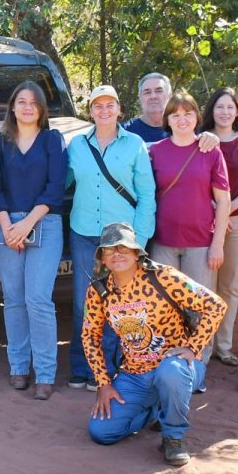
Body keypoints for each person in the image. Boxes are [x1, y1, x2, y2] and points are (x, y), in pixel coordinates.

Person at [83, 222, 226, 467]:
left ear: (136, 252)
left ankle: (173, 437)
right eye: (110, 249)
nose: (117, 254)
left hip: (177, 368)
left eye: (123, 248)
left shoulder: (163, 276)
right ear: (102, 258)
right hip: (135, 374)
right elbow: (90, 336)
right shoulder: (99, 291)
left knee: (171, 372)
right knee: (101, 432)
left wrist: (194, 347)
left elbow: (216, 305)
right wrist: (103, 383)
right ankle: (158, 408)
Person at [65, 85, 156, 389]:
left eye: (109, 105)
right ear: (89, 111)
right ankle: (81, 367)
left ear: (119, 109)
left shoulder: (135, 145)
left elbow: (146, 195)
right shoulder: (77, 145)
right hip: (84, 233)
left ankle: (105, 369)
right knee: (83, 302)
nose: (103, 111)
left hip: (121, 240)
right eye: (97, 106)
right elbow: (61, 182)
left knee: (116, 303)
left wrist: (139, 240)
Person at [147, 90, 230, 391]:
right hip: (164, 241)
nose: (182, 119)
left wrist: (218, 243)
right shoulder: (155, 150)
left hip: (200, 242)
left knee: (200, 309)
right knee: (166, 309)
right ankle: (168, 369)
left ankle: (196, 371)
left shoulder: (210, 151)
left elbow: (223, 201)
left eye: (188, 113)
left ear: (197, 116)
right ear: (167, 119)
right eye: (175, 114)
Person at [0, 81, 66, 399]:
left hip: (44, 223)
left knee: (39, 299)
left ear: (41, 109)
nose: (27, 107)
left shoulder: (52, 140)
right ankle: (18, 367)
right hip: (5, 224)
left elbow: (56, 185)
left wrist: (28, 223)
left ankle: (45, 374)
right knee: (14, 299)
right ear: (12, 106)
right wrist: (9, 225)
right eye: (21, 101)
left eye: (34, 103)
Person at [202, 87, 238, 367]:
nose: (224, 112)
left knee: (230, 285)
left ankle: (223, 346)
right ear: (211, 111)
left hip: (237, 222)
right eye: (219, 107)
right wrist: (214, 212)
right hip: (204, 221)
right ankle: (203, 344)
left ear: (237, 111)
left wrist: (227, 210)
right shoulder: (202, 141)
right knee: (204, 284)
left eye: (230, 107)